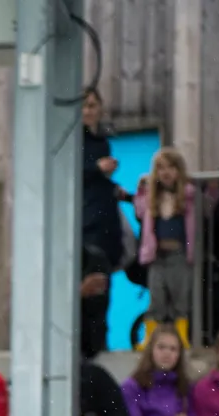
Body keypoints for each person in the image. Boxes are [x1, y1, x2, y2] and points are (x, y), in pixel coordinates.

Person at [79, 89, 132, 358]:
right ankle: (89, 347)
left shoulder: (103, 139)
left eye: (93, 105)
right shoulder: (74, 140)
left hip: (106, 224)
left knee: (104, 288)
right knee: (90, 288)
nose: (89, 111)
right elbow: (71, 173)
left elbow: (97, 182)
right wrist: (96, 168)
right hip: (87, 225)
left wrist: (115, 188)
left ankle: (101, 343)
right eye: (84, 106)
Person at [133, 148, 196, 349]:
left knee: (180, 298)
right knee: (156, 299)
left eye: (171, 167)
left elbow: (205, 208)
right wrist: (141, 191)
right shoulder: (153, 197)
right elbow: (140, 212)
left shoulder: (187, 195)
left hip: (178, 253)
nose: (166, 172)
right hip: (157, 255)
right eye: (161, 168)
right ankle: (150, 339)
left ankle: (181, 338)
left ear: (179, 170)